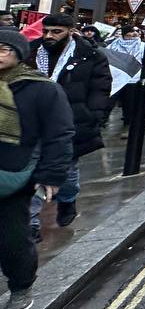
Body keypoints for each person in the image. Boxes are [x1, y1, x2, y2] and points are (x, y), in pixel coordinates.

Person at [0, 30, 73, 309]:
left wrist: (52, 176)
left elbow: (59, 134)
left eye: (6, 49)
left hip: (13, 173)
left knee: (12, 238)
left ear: (19, 53)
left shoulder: (41, 88)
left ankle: (20, 286)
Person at [27, 13, 110, 232]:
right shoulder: (31, 51)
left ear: (70, 31)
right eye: (45, 31)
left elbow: (100, 88)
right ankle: (31, 221)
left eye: (56, 32)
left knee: (67, 170)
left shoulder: (90, 55)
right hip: (34, 121)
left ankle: (67, 199)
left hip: (71, 122)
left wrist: (94, 116)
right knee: (31, 169)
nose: (48, 36)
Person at [108, 25, 145, 124]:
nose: (130, 38)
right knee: (109, 101)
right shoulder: (113, 45)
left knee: (129, 103)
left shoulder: (142, 46)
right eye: (128, 36)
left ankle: (128, 124)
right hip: (116, 78)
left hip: (133, 79)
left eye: (132, 35)